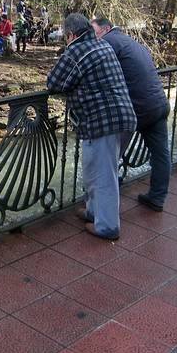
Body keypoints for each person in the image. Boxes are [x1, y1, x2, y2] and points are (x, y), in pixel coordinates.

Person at [47, 13, 136, 240]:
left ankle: (107, 227)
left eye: (64, 36)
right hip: (124, 117)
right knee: (97, 170)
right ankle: (94, 212)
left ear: (70, 34)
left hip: (102, 123)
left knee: (103, 175)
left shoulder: (76, 51)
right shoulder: (102, 45)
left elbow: (53, 83)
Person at [91, 16, 171, 212]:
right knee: (161, 154)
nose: (92, 38)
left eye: (93, 32)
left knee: (109, 155)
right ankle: (157, 198)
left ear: (105, 29)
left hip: (137, 109)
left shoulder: (108, 43)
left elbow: (96, 71)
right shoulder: (128, 41)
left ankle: (101, 208)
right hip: (158, 103)